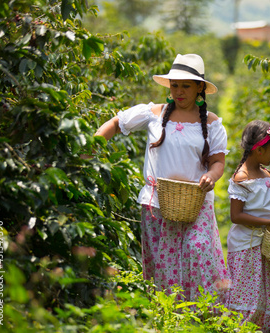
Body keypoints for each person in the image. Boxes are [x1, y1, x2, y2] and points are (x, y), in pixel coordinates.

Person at [93, 54, 229, 302]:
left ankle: (202, 313)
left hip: (195, 203)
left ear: (200, 87)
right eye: (174, 85)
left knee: (197, 252)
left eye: (185, 85)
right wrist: (90, 148)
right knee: (164, 266)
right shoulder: (154, 113)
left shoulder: (211, 123)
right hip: (157, 204)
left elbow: (218, 161)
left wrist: (211, 176)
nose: (179, 91)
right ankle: (171, 317)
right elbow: (116, 122)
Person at [226, 120, 270, 332]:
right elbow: (236, 216)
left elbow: (267, 207)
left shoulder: (266, 175)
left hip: (267, 245)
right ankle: (246, 328)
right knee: (250, 293)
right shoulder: (242, 178)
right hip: (247, 246)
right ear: (258, 149)